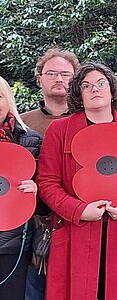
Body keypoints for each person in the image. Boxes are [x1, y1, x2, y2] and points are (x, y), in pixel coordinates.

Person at [37, 63, 117, 300]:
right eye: (86, 85)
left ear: (112, 90)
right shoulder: (59, 131)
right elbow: (47, 182)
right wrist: (79, 210)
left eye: (101, 83)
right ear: (78, 95)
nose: (95, 89)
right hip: (76, 232)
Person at [21, 47, 79, 300]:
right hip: (30, 223)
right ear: (39, 78)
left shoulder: (89, 122)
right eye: (52, 73)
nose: (59, 79)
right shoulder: (21, 123)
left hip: (77, 220)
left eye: (65, 74)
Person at [0, 76, 42, 300]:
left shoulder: (30, 140)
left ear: (8, 100)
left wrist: (36, 190)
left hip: (13, 241)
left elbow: (47, 191)